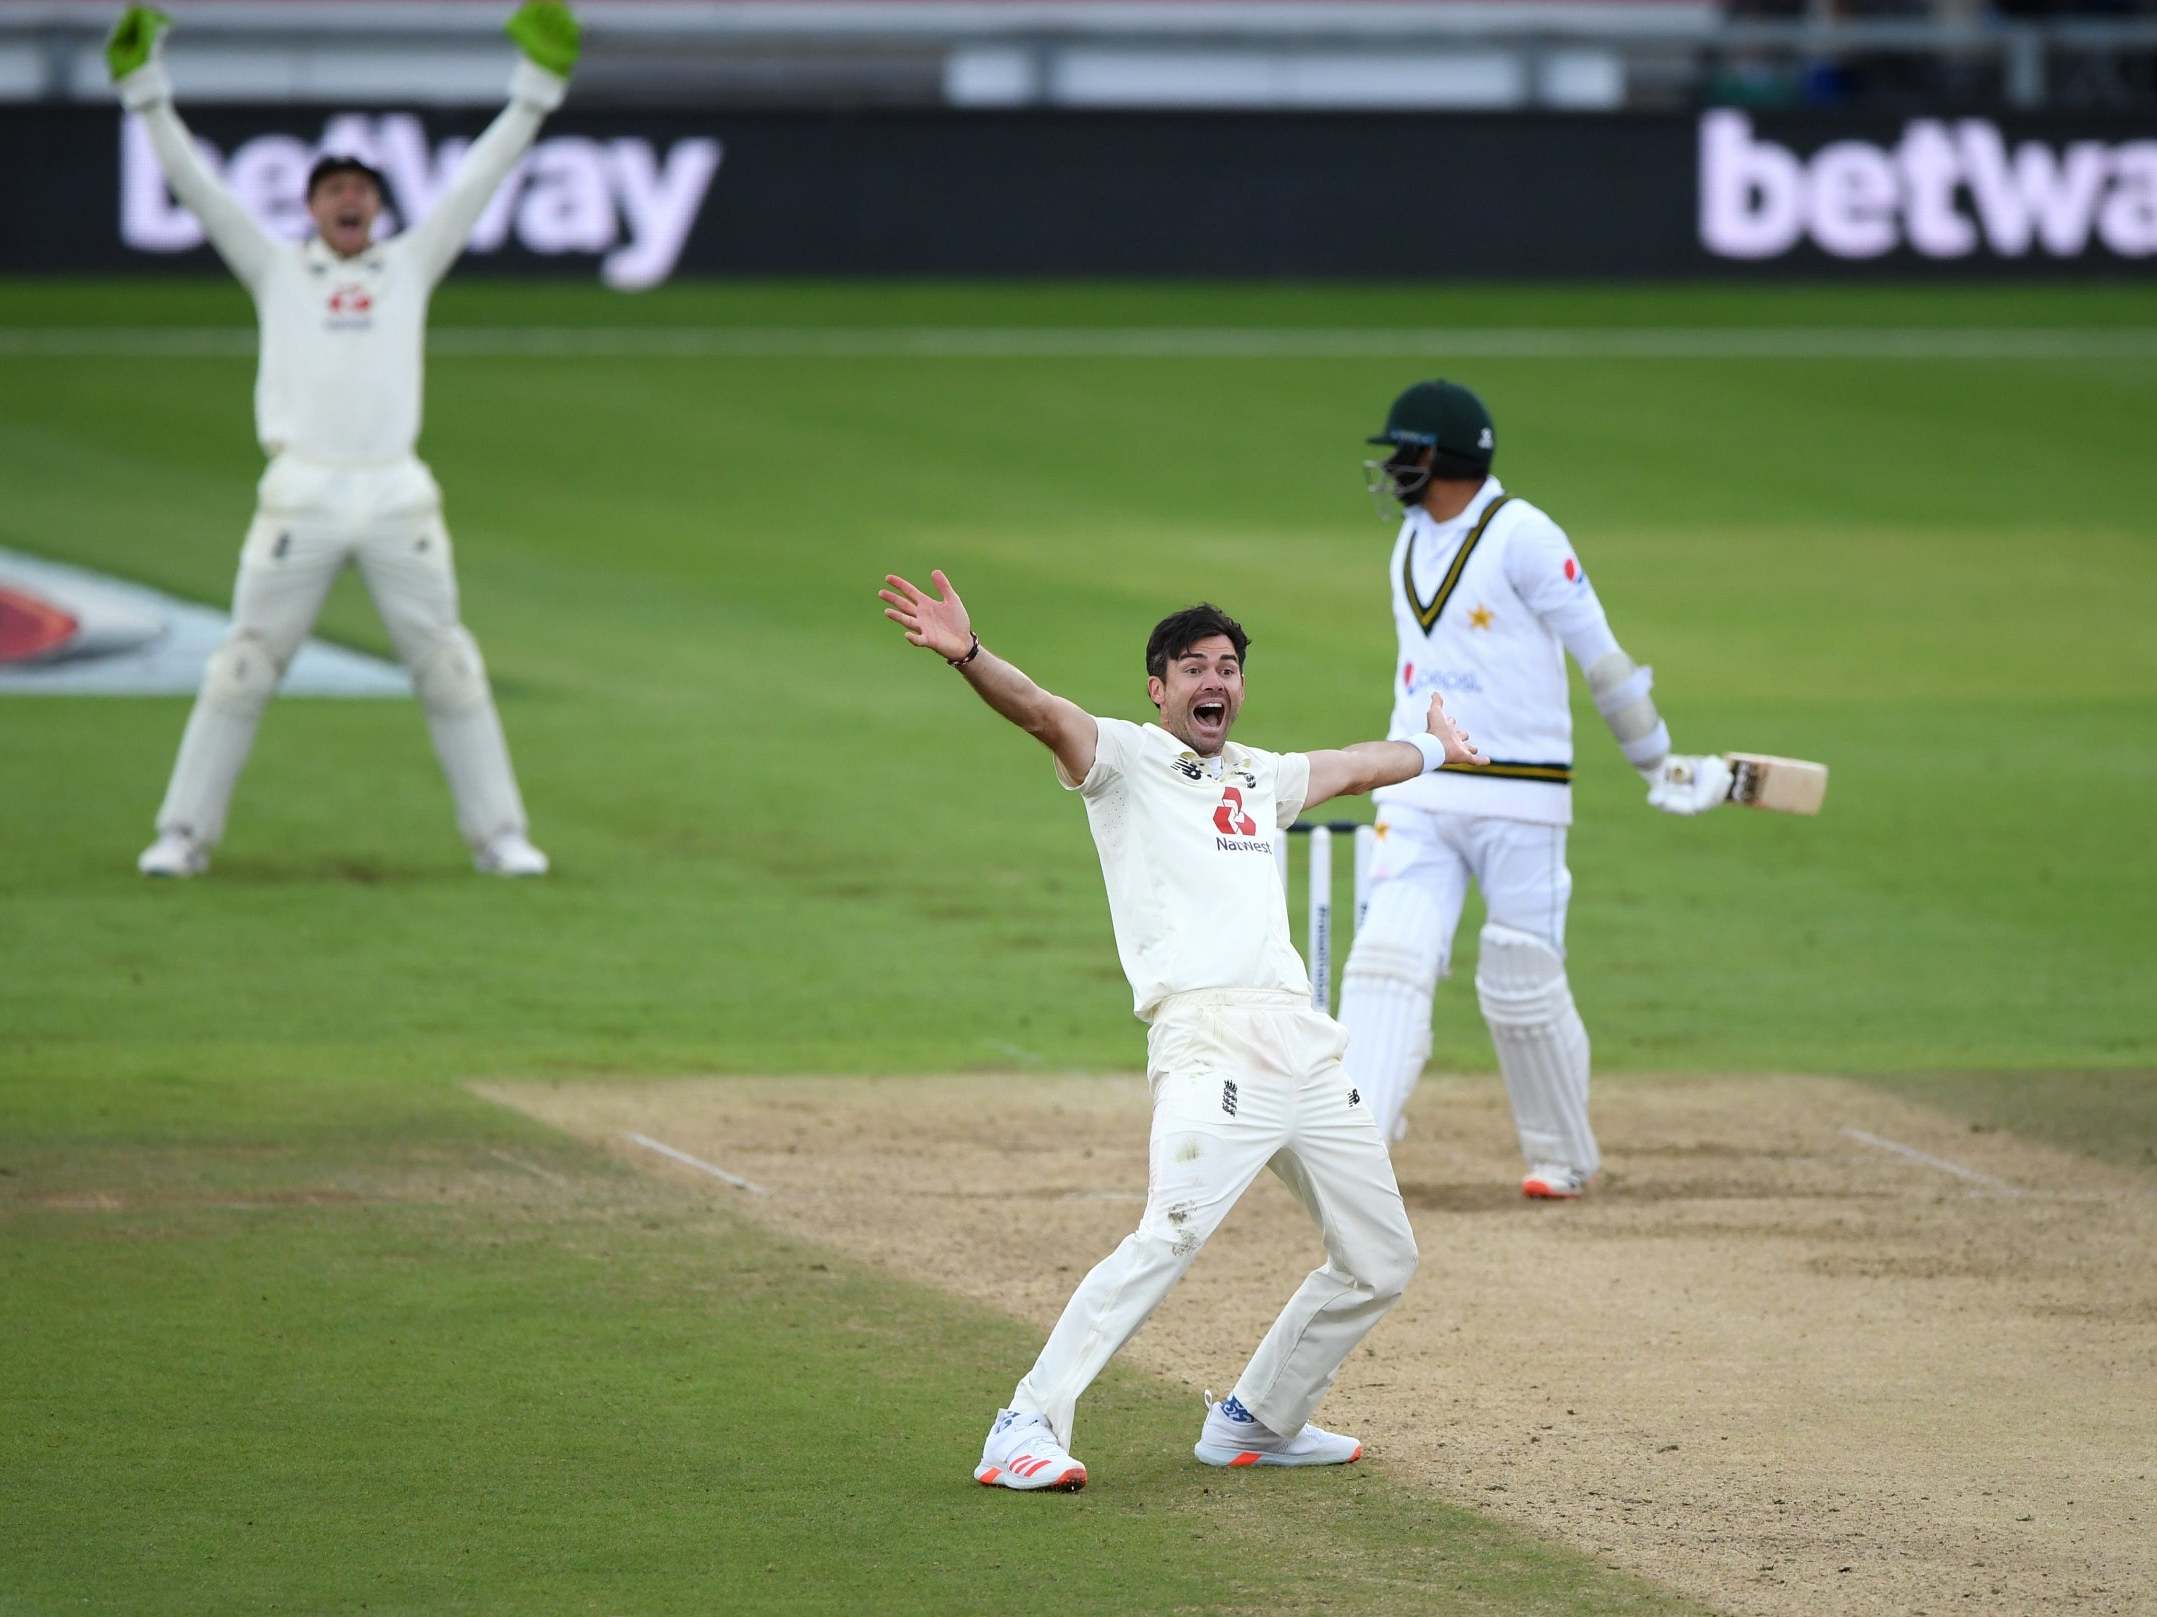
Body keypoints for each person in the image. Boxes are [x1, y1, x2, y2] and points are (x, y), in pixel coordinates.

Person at [877, 568, 1486, 1491]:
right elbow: (1040, 709)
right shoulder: (1121, 759)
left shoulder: (1260, 775)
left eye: (1229, 666)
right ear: (1158, 688)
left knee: (1380, 1258)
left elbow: (1356, 765)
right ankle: (1024, 1422)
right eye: (1194, 666)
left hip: (1303, 1044)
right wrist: (967, 652)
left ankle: (1256, 1422)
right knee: (1168, 1234)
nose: (1216, 680)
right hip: (1208, 1040)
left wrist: (1433, 752)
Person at [107, 2, 583, 878]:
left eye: (361, 189)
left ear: (377, 205)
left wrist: (534, 91)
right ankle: (181, 836)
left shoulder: (408, 264)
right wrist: (144, 91)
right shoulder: (276, 268)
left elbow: (479, 179)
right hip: (303, 493)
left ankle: (500, 837)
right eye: (333, 190)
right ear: (312, 207)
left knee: (446, 667)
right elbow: (201, 190)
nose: (349, 199)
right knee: (244, 667)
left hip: (396, 490)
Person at [1337, 380, 1730, 1199]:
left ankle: (1562, 1156)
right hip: (1419, 782)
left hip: (1522, 790)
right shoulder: (1409, 539)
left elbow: (1603, 658)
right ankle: (1353, 1147)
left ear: (1439, 457)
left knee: (1519, 976)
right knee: (1386, 958)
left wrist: (1657, 760)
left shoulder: (1524, 534)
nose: (1392, 469)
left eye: (1402, 453)